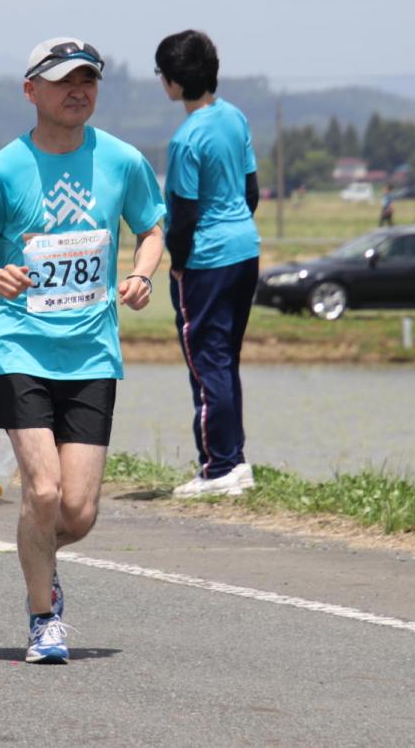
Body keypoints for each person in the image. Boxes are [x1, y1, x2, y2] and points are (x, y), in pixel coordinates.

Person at [0, 37, 164, 664]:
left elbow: (152, 228)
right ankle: (44, 616)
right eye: (66, 80)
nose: (79, 91)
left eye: (89, 81)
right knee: (42, 491)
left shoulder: (122, 161)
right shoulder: (1, 170)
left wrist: (143, 274)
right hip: (15, 344)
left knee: (79, 510)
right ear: (31, 90)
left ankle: (37, 558)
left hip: (92, 351)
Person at [152, 29, 261, 502]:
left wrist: (179, 264)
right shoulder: (234, 117)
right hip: (245, 250)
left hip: (207, 261)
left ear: (173, 82)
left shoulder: (185, 139)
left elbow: (183, 214)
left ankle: (218, 466)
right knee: (225, 360)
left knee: (205, 362)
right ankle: (234, 462)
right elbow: (251, 189)